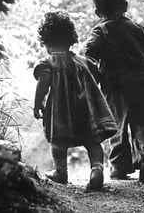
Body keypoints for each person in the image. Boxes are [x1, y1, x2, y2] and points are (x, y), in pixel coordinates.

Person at [84, 0, 144, 182]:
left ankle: (119, 167)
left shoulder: (100, 31)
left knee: (117, 127)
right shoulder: (138, 28)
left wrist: (92, 79)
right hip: (143, 84)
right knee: (142, 122)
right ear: (126, 5)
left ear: (97, 13)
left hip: (116, 88)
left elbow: (89, 57)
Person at [33, 10, 117, 190]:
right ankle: (97, 169)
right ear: (71, 39)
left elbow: (43, 83)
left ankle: (60, 172)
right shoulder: (82, 62)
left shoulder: (48, 63)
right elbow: (97, 74)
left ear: (45, 42)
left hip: (60, 113)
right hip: (86, 111)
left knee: (57, 143)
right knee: (93, 141)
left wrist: (37, 103)